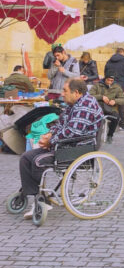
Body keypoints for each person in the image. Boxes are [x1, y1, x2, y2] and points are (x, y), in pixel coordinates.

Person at [18, 78, 103, 219]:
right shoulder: (74, 104)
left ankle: (41, 201)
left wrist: (50, 141)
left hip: (75, 149)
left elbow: (72, 132)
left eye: (65, 91)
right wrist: (49, 135)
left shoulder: (85, 106)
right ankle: (38, 198)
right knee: (26, 157)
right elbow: (61, 123)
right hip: (64, 145)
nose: (62, 94)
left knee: (37, 161)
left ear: (76, 92)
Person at [89, 75, 124, 143]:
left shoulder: (117, 87)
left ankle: (110, 135)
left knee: (116, 118)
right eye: (108, 80)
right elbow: (89, 96)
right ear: (105, 79)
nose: (110, 82)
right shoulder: (97, 85)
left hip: (110, 109)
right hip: (97, 108)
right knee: (92, 117)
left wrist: (115, 101)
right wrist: (101, 97)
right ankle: (93, 136)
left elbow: (123, 100)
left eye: (112, 81)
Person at [104, 48, 124, 131]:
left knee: (108, 104)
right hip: (121, 86)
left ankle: (108, 124)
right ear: (123, 53)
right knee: (121, 105)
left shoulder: (109, 61)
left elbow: (106, 74)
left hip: (110, 85)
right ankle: (122, 125)